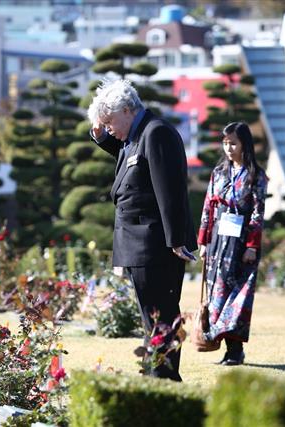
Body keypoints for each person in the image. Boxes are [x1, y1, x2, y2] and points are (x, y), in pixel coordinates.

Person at [88, 79, 197, 381]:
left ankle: (165, 376)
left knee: (161, 314)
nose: (109, 128)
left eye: (110, 122)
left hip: (156, 244)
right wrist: (100, 136)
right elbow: (130, 160)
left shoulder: (156, 133)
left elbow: (170, 190)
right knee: (151, 317)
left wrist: (176, 239)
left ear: (127, 109)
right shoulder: (135, 136)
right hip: (138, 245)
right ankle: (156, 372)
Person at [197, 122, 268, 366]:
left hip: (241, 243)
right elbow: (208, 207)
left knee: (236, 297)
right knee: (217, 294)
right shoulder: (218, 173)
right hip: (218, 241)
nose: (228, 148)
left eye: (233, 143)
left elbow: (258, 212)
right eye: (225, 143)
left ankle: (235, 350)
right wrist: (203, 241)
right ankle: (227, 349)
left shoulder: (256, 175)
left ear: (244, 144)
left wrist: (251, 245)